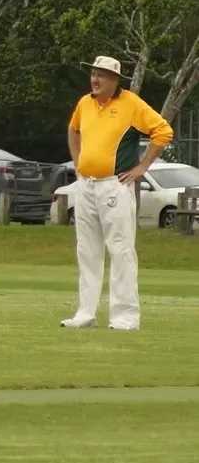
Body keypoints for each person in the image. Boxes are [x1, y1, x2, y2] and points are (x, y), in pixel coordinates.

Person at [62, 55, 174, 331]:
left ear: (115, 80)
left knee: (121, 249)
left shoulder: (131, 104)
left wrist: (141, 168)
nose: (95, 79)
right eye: (93, 74)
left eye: (101, 75)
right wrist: (78, 163)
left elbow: (163, 131)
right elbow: (73, 130)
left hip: (116, 185)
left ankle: (125, 317)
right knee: (87, 250)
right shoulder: (85, 103)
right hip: (86, 185)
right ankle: (85, 313)